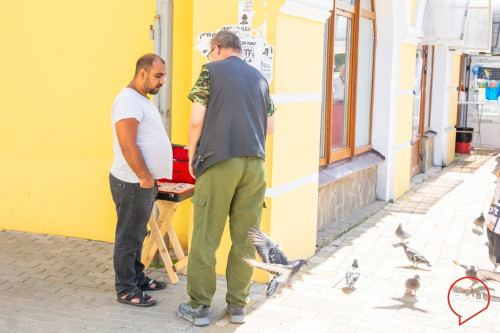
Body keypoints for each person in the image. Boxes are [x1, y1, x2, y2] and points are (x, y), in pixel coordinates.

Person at [177, 30, 275, 326]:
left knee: (207, 235)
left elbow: (196, 119)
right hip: (255, 164)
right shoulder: (260, 78)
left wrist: (191, 154)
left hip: (219, 160)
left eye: (210, 51)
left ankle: (199, 307)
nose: (209, 56)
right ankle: (238, 306)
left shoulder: (210, 72)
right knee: (246, 239)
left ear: (217, 48)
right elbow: (270, 127)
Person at [109, 53, 172, 307]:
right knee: (128, 237)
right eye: (158, 76)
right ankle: (126, 289)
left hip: (142, 182)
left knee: (137, 235)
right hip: (133, 182)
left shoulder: (140, 100)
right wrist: (145, 177)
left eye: (164, 76)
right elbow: (127, 144)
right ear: (142, 73)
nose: (162, 81)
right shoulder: (127, 102)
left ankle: (137, 277)